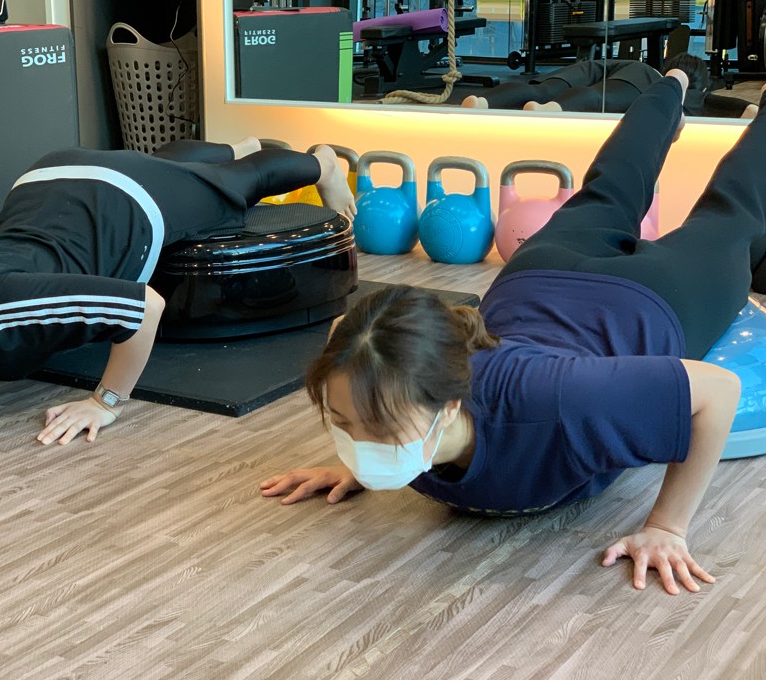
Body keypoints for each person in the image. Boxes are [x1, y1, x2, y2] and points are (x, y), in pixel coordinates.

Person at [261, 68, 766, 595]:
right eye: (344, 424)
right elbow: (347, 331)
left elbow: (718, 390)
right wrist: (357, 463)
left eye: (380, 429)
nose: (359, 442)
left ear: (450, 405)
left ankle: (682, 89)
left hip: (648, 297)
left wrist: (667, 527)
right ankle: (669, 88)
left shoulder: (560, 401)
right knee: (608, 189)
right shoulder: (408, 384)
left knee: (733, 215)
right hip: (539, 274)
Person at [0, 139, 355, 445]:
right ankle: (222, 149)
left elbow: (145, 307)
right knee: (178, 170)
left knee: (234, 187)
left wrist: (106, 403)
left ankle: (321, 161)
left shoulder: (4, 302)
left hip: (122, 201)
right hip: (46, 184)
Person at [461, 53, 738, 117]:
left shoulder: (645, 68)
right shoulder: (669, 86)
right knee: (598, 96)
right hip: (639, 78)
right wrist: (751, 110)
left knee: (541, 90)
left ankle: (482, 101)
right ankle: (551, 109)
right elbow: (711, 102)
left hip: (598, 66)